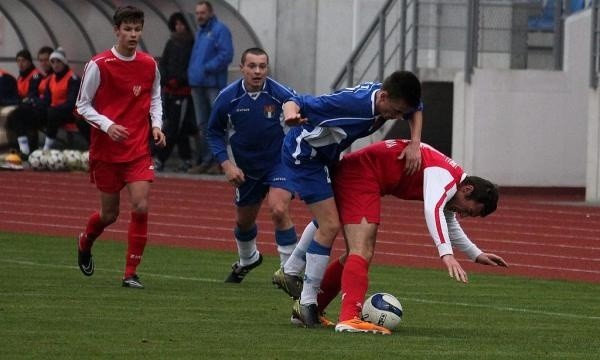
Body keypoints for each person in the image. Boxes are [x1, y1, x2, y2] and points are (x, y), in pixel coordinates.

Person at [282, 139, 508, 333]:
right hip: (360, 175)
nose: (462, 215)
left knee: (355, 251)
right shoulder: (446, 176)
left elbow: (447, 219)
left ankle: (310, 308)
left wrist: (475, 254)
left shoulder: (453, 180)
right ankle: (349, 317)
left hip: (358, 173)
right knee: (363, 250)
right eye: (468, 210)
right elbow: (433, 210)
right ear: (467, 190)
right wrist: (446, 254)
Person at [275, 70, 424, 327]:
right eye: (396, 111)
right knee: (331, 224)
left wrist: (415, 143)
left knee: (333, 217)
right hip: (305, 158)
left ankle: (289, 272)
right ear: (384, 97)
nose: (398, 118)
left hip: (326, 157)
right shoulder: (350, 105)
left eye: (402, 114)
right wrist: (290, 115)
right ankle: (307, 302)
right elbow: (295, 99)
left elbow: (416, 108)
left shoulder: (390, 96)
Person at [75, 5, 166, 289]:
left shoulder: (149, 64)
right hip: (106, 152)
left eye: (137, 29)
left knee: (140, 204)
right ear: (116, 31)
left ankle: (130, 272)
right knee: (109, 215)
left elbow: (155, 98)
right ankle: (86, 241)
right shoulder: (99, 64)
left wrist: (156, 125)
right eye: (127, 29)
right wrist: (107, 125)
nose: (133, 34)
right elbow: (81, 105)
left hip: (138, 148)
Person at [207, 47, 298, 283]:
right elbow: (214, 133)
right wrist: (227, 165)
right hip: (246, 169)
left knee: (278, 209)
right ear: (242, 68)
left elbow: (301, 114)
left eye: (262, 66)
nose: (258, 71)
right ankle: (248, 259)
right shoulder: (228, 97)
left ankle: (290, 273)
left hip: (279, 163)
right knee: (244, 222)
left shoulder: (281, 94)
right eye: (252, 66)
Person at [187, 1, 233, 175]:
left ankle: (220, 162)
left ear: (211, 12)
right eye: (197, 13)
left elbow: (226, 54)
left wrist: (207, 68)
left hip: (213, 84)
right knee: (203, 124)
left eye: (202, 12)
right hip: (198, 84)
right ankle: (206, 160)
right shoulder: (200, 32)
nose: (199, 16)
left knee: (217, 124)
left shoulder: (220, 30)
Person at [155, 11, 197, 172]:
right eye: (177, 24)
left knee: (174, 127)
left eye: (182, 24)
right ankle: (186, 158)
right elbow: (163, 63)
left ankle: (160, 158)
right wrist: (165, 79)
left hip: (183, 92)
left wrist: (179, 80)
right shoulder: (171, 43)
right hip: (169, 91)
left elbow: (191, 66)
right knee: (178, 127)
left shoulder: (192, 44)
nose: (179, 27)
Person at [41, 47, 85, 150]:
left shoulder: (72, 78)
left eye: (58, 61)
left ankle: (46, 148)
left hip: (70, 113)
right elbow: (47, 99)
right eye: (53, 62)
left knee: (52, 113)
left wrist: (53, 109)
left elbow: (71, 103)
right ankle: (29, 146)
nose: (55, 65)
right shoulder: (51, 79)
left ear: (64, 63)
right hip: (55, 111)